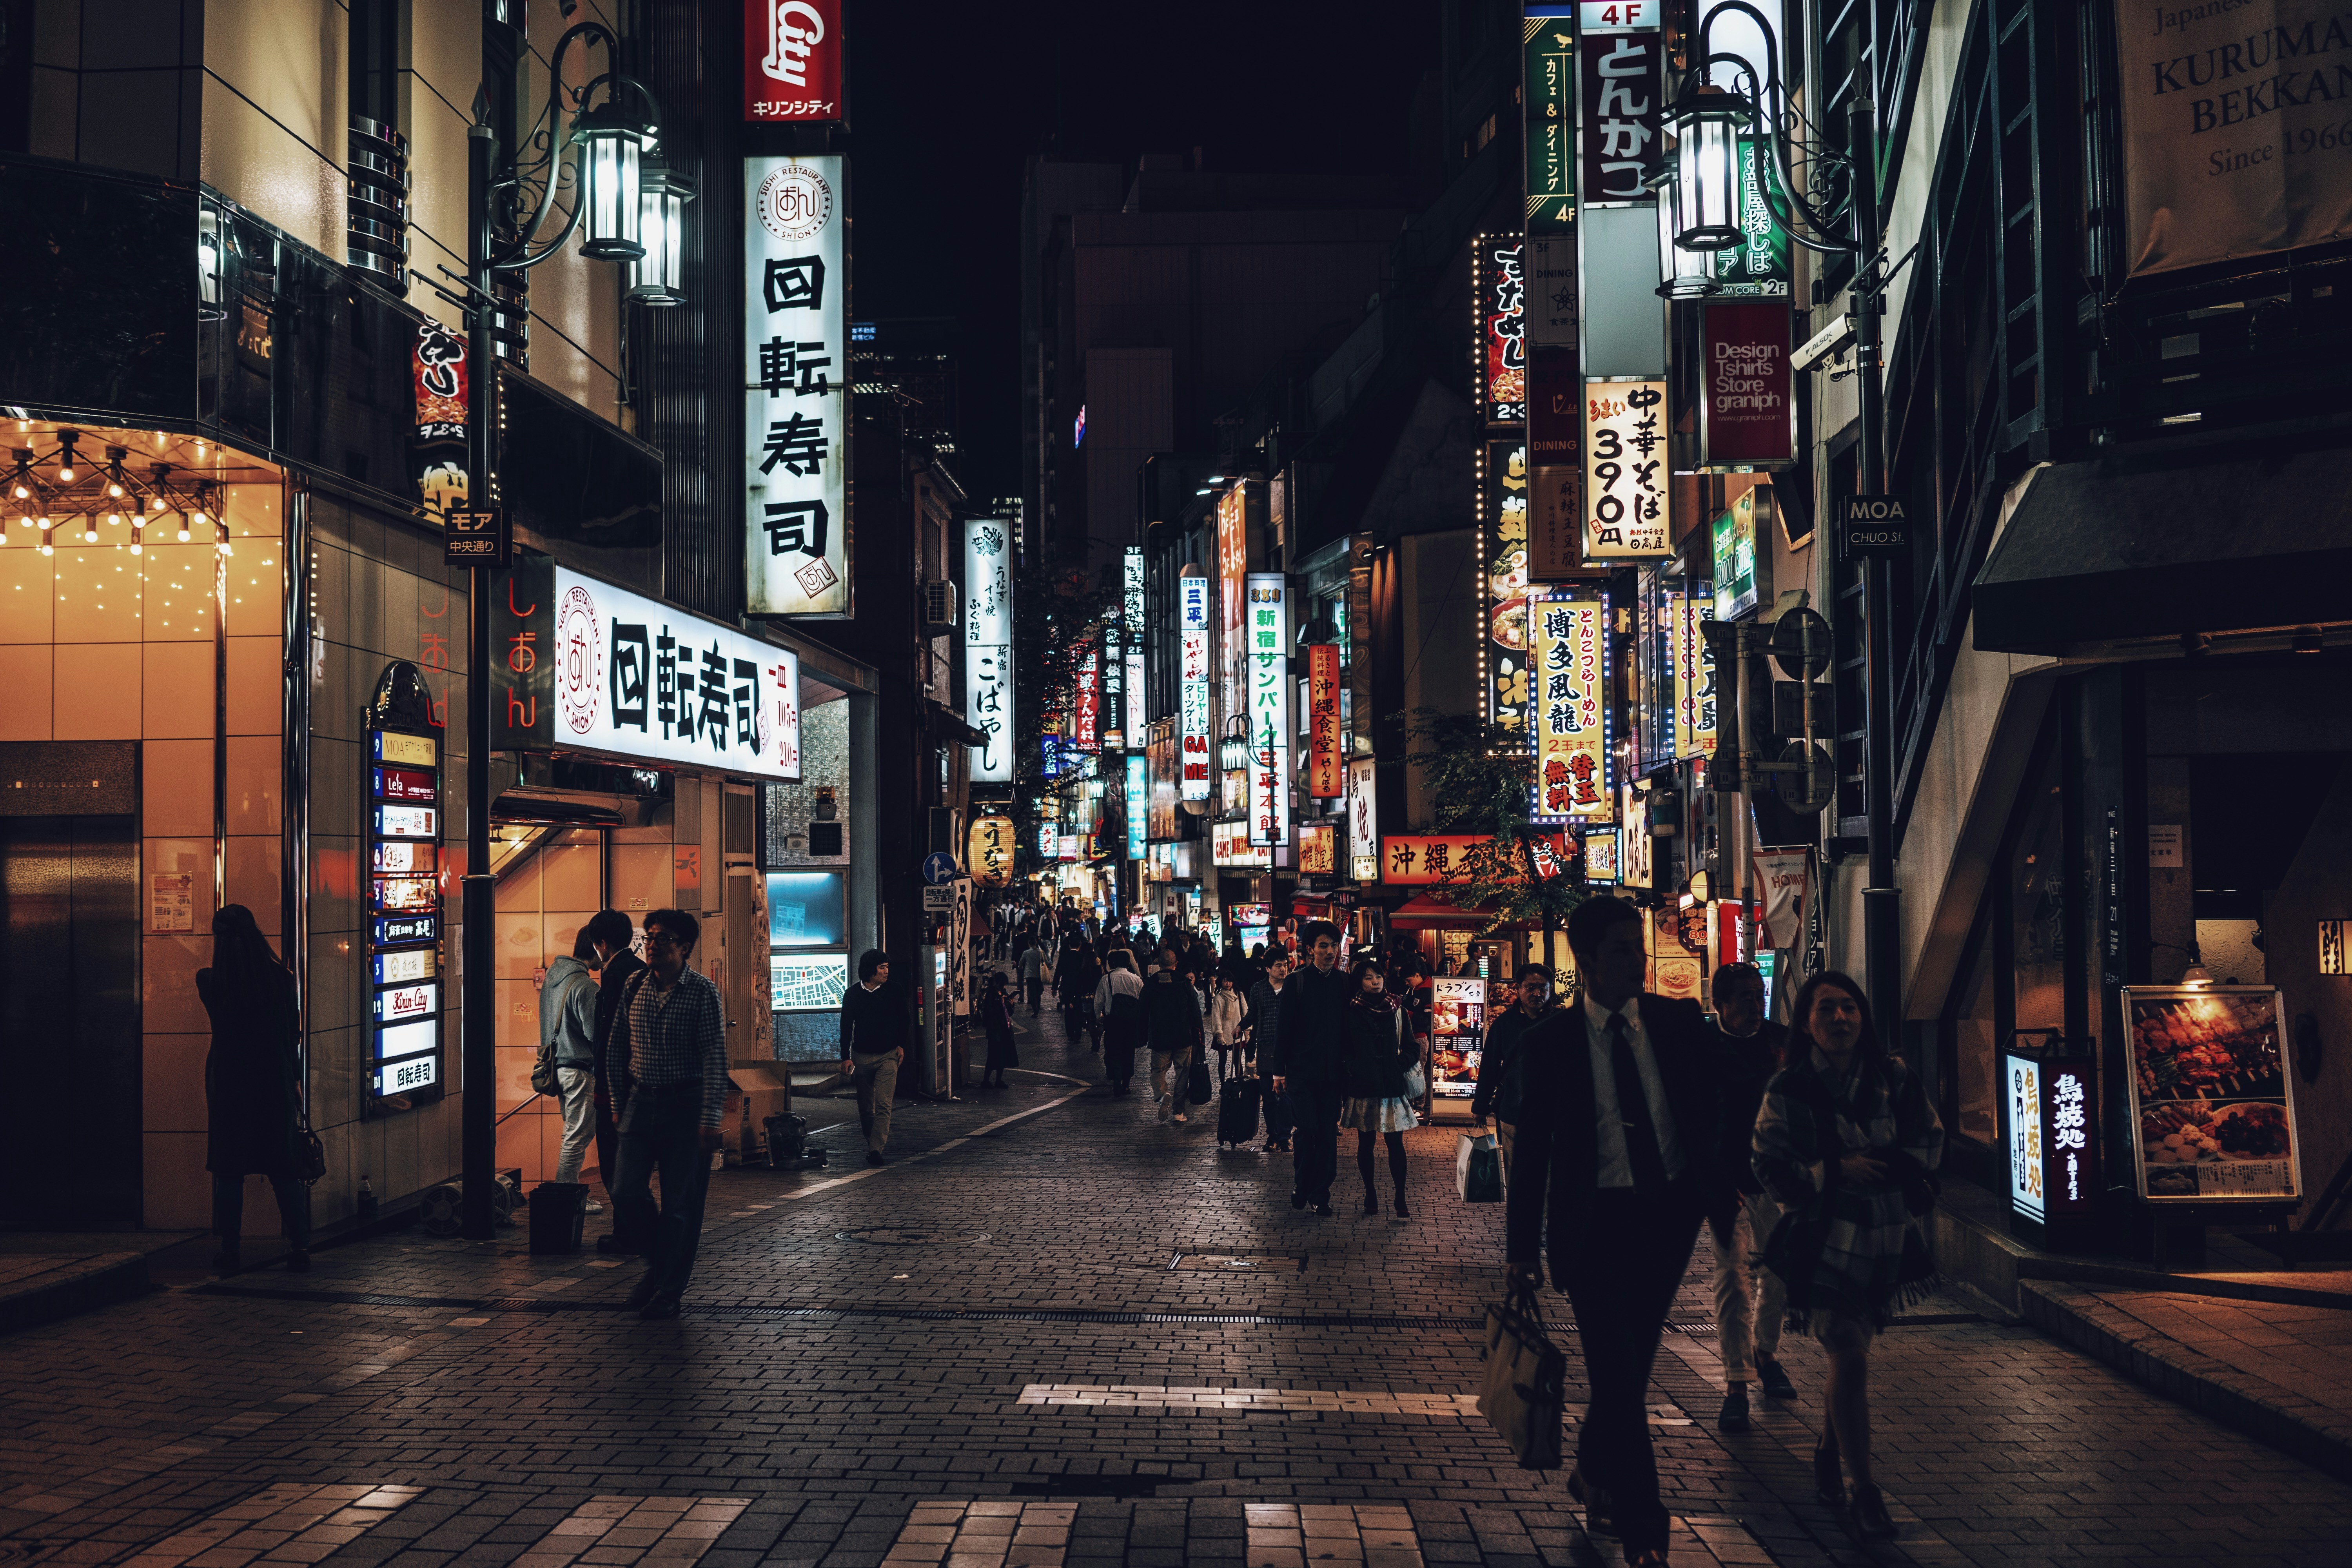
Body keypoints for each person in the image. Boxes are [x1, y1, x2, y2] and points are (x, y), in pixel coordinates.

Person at [1505, 896, 1722, 1568]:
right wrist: (1520, 1251)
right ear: (1588, 959)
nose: (1638, 961)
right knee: (1619, 1374)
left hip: (1667, 1219)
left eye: (1640, 947)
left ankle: (1595, 1468)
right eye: (1623, 949)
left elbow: (1714, 1103)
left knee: (1631, 1366)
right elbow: (1532, 1152)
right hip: (1594, 1227)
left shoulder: (1676, 1023)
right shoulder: (1551, 1044)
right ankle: (1645, 1532)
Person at [1753, 971, 1942, 1541]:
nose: (1840, 1019)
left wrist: (1890, 1170)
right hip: (1822, 1239)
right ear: (1805, 1023)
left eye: (1849, 1008)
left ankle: (1826, 1452)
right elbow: (1767, 1162)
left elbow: (1928, 1138)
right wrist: (1832, 1171)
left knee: (1849, 1359)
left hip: (1883, 1235)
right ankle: (1866, 1491)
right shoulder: (1788, 1089)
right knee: (1850, 1355)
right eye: (1826, 1009)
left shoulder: (1892, 1076)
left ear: (1863, 1017)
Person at [608, 909, 728, 1321]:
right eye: (650, 937)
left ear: (686, 948)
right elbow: (616, 1046)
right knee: (625, 1191)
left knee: (681, 1206)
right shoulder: (634, 984)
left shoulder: (702, 992)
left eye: (664, 939)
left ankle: (668, 1291)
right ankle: (659, 1266)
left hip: (686, 1105)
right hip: (641, 1102)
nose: (653, 945)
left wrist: (711, 1117)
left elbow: (715, 1057)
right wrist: (617, 1103)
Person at [196, 905, 310, 1274]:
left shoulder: (209, 982)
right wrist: (295, 1081)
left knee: (229, 1171)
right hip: (274, 1082)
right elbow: (291, 1036)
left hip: (229, 1085)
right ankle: (300, 1246)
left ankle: (230, 1250)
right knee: (283, 1168)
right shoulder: (281, 981)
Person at [1708, 961, 1795, 1430]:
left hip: (1777, 1180)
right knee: (1733, 1279)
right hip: (1727, 1182)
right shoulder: (1705, 1046)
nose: (1756, 1003)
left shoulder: (1782, 1042)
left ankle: (1766, 1352)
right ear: (1720, 1004)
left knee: (1777, 1274)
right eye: (1745, 996)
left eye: (1759, 993)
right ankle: (1736, 1381)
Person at [1266, 921, 1350, 1215]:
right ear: (1310, 950)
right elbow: (1284, 1030)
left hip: (1333, 1075)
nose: (1330, 951)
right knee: (1307, 1130)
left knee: (1327, 1134)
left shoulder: (1344, 982)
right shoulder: (1297, 982)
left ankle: (1320, 1194)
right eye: (1323, 946)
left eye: (1334, 946)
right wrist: (1279, 1072)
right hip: (1301, 1073)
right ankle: (1302, 1183)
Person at [1338, 957, 1420, 1218]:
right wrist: (1354, 1067)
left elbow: (1412, 1046)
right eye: (1368, 978)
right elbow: (1344, 1049)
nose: (1375, 982)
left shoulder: (1397, 1009)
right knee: (1366, 1144)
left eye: (1378, 977)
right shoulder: (1351, 1011)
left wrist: (1400, 1064)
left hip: (1391, 1087)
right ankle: (1370, 1193)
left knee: (1396, 1145)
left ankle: (1400, 1196)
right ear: (1359, 982)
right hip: (1363, 1087)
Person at [585, 910, 644, 1250]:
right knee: (630, 1161)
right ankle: (634, 1228)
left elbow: (610, 1036)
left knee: (614, 1161)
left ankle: (629, 1231)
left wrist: (605, 1085)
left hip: (617, 1085)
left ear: (603, 944)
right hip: (637, 1082)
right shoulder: (640, 970)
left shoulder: (617, 975)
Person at [1470, 964, 1556, 1184]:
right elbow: (1489, 1066)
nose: (1537, 993)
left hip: (1553, 1114)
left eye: (1543, 988)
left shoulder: (1561, 1022)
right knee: (1517, 1176)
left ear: (1550, 990)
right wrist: (1480, 1106)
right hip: (1513, 1110)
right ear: (1518, 988)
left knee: (1551, 1177)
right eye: (1531, 987)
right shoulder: (1505, 1023)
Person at [538, 929, 602, 1201]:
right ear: (597, 947)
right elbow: (595, 1034)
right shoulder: (585, 986)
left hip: (558, 1067)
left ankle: (570, 1197)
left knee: (573, 1134)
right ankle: (567, 1198)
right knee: (577, 1137)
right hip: (579, 1070)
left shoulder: (553, 978)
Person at [838, 949, 911, 1164]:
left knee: (884, 1105)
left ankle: (876, 1150)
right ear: (871, 970)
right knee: (865, 1107)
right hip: (861, 1057)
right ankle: (872, 1141)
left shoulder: (894, 990)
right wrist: (845, 1057)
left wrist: (901, 1045)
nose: (887, 972)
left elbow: (904, 1019)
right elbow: (846, 1026)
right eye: (882, 968)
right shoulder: (853, 994)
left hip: (888, 1055)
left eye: (887, 967)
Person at [1143, 947, 1204, 1124]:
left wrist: (1142, 1035)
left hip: (1160, 1038)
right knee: (1182, 1073)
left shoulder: (1151, 983)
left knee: (1157, 1071)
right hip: (1183, 1037)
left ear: (1159, 964)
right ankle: (1179, 1111)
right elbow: (1195, 1013)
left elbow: (1142, 1011)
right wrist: (1199, 1038)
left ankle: (1163, 1094)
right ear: (1176, 964)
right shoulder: (1185, 983)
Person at [1243, 950, 1291, 1151]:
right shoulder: (1258, 989)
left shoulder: (1293, 986)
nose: (1283, 969)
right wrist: (1240, 1026)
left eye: (1285, 965)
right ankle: (1272, 1136)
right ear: (1268, 969)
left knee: (1286, 1097)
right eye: (1278, 965)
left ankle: (1285, 1137)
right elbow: (1252, 1014)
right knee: (1269, 1097)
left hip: (1289, 1048)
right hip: (1265, 1048)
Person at [1094, 951, 1146, 1094]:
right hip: (1131, 1022)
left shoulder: (1107, 979)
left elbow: (1098, 1001)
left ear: (1113, 963)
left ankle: (1117, 1081)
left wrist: (1099, 1016)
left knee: (1114, 1050)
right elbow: (1143, 1002)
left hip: (1113, 1021)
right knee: (1129, 1051)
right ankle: (1127, 1084)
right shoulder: (1137, 980)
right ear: (1128, 963)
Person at [978, 971, 1018, 1090]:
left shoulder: (1003, 993)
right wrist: (1000, 1003)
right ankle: (986, 1080)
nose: (1005, 987)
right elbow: (989, 1012)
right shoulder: (991, 994)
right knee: (993, 1055)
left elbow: (1009, 1012)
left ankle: (999, 1080)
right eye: (1004, 984)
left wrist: (1011, 1004)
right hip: (995, 1030)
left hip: (1005, 1028)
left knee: (1003, 1054)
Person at [1206, 971, 1247, 1080]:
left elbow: (1246, 1013)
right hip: (1224, 1034)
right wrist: (1219, 1034)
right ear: (1221, 982)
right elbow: (1216, 1018)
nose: (1228, 984)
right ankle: (1223, 1085)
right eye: (1225, 981)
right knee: (1222, 1062)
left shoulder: (1239, 995)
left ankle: (1239, 1083)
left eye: (1230, 981)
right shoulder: (1219, 998)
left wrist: (1247, 1032)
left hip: (1237, 1033)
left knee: (1238, 1062)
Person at [1017, 935, 1048, 1017]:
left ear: (1029, 944)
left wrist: (1020, 967)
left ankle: (1035, 1011)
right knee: (1038, 993)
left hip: (1030, 976)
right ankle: (1038, 1007)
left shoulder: (1026, 953)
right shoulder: (1041, 952)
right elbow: (1046, 962)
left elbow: (1021, 963)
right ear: (1036, 943)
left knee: (1032, 993)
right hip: (1039, 975)